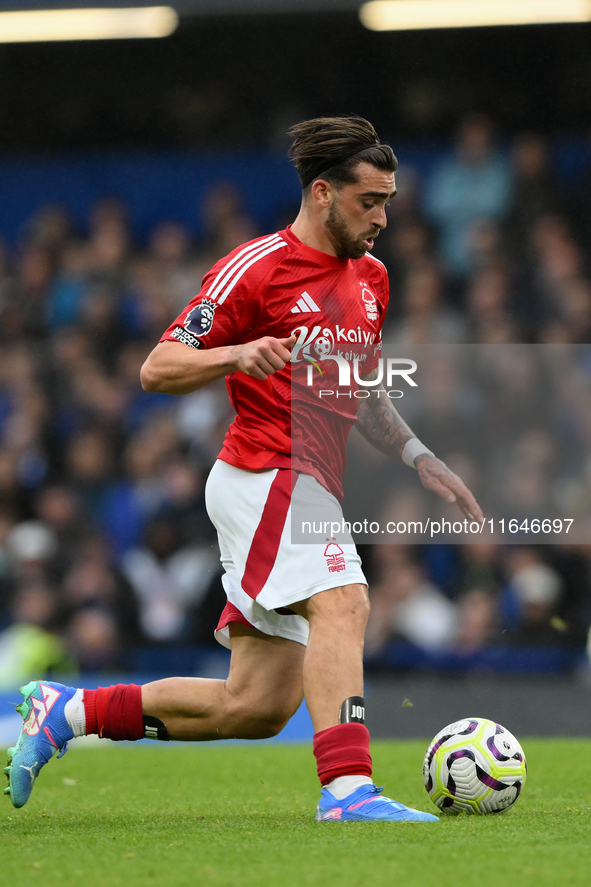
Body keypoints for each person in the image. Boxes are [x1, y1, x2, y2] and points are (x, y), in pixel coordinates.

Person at [4, 116, 481, 822]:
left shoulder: (372, 280)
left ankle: (68, 711)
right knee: (345, 600)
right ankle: (348, 791)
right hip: (265, 469)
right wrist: (236, 352)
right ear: (322, 193)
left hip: (307, 481)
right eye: (369, 201)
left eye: (386, 201)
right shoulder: (255, 267)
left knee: (255, 705)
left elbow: (364, 392)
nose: (382, 217)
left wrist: (418, 455)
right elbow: (155, 367)